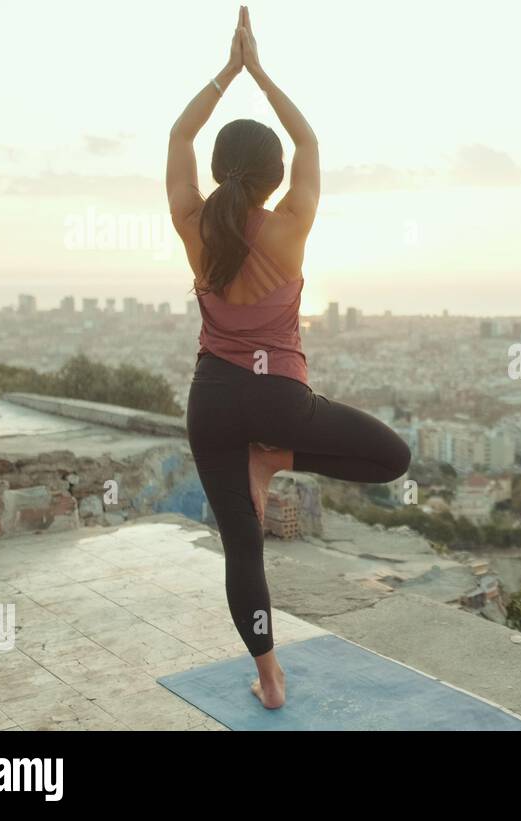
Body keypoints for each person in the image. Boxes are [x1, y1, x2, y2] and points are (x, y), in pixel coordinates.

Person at [166, 7, 410, 710]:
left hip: (211, 398)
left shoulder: (192, 225)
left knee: (244, 548)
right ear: (274, 178)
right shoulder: (293, 225)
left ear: (218, 172)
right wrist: (261, 73)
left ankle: (269, 677)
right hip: (279, 399)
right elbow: (307, 136)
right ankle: (280, 457)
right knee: (391, 456)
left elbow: (180, 133)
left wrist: (226, 72)